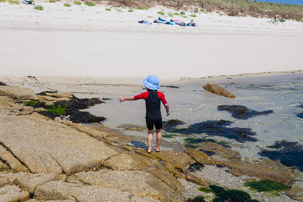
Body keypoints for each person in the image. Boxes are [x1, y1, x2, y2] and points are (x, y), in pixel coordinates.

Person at [119, 75, 170, 153]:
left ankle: (149, 148)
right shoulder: (160, 94)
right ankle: (158, 148)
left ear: (147, 86)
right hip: (158, 117)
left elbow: (134, 98)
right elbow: (166, 104)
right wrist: (167, 111)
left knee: (150, 132)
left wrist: (124, 99)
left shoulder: (145, 94)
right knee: (159, 132)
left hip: (149, 117)